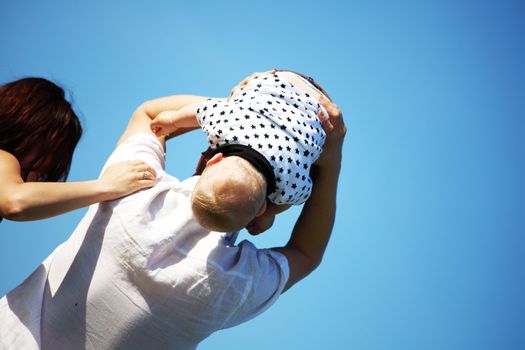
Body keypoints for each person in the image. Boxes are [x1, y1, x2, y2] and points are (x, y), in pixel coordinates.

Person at [0, 89, 345, 349]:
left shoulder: (132, 191)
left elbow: (149, 115)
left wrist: (242, 110)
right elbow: (306, 253)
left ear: (208, 161)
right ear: (261, 214)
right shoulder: (234, 285)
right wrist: (331, 161)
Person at [150, 70, 332, 234]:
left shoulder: (291, 184)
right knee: (235, 101)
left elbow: (295, 197)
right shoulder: (226, 126)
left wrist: (270, 215)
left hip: (319, 110)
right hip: (278, 81)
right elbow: (201, 109)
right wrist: (172, 120)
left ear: (260, 209)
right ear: (214, 160)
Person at [0, 77, 158, 222]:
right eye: (49, 148)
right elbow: (15, 201)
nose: (48, 163)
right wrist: (107, 185)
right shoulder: (3, 156)